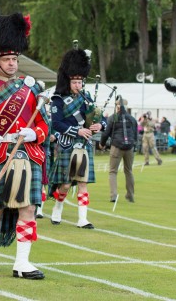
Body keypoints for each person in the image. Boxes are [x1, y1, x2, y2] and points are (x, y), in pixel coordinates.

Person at [0, 13, 48, 280]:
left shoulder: (31, 88)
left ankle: (22, 263)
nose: (13, 64)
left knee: (28, 207)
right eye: (7, 59)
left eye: (15, 59)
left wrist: (33, 133)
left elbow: (44, 126)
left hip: (27, 153)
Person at [49, 44, 105, 230]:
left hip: (84, 145)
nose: (78, 85)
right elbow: (56, 124)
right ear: (67, 81)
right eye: (74, 82)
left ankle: (83, 219)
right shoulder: (58, 99)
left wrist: (99, 125)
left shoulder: (87, 97)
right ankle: (58, 206)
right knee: (65, 185)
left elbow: (99, 118)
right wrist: (77, 131)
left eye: (80, 81)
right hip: (67, 145)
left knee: (82, 183)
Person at [100, 98, 137, 203]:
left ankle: (113, 196)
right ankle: (130, 195)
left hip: (116, 147)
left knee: (112, 172)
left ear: (117, 106)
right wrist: (135, 147)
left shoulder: (113, 118)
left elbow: (106, 133)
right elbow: (135, 135)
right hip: (129, 147)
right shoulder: (132, 119)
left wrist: (101, 144)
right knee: (129, 171)